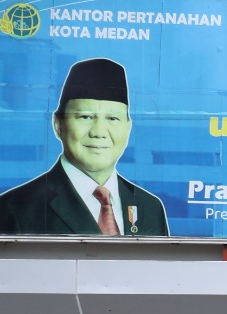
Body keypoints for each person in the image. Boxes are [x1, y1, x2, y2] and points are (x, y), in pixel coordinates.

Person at [0, 58, 170, 236]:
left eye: (113, 118)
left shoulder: (150, 208)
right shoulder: (14, 209)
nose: (98, 132)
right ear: (58, 125)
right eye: (85, 117)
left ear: (128, 128)